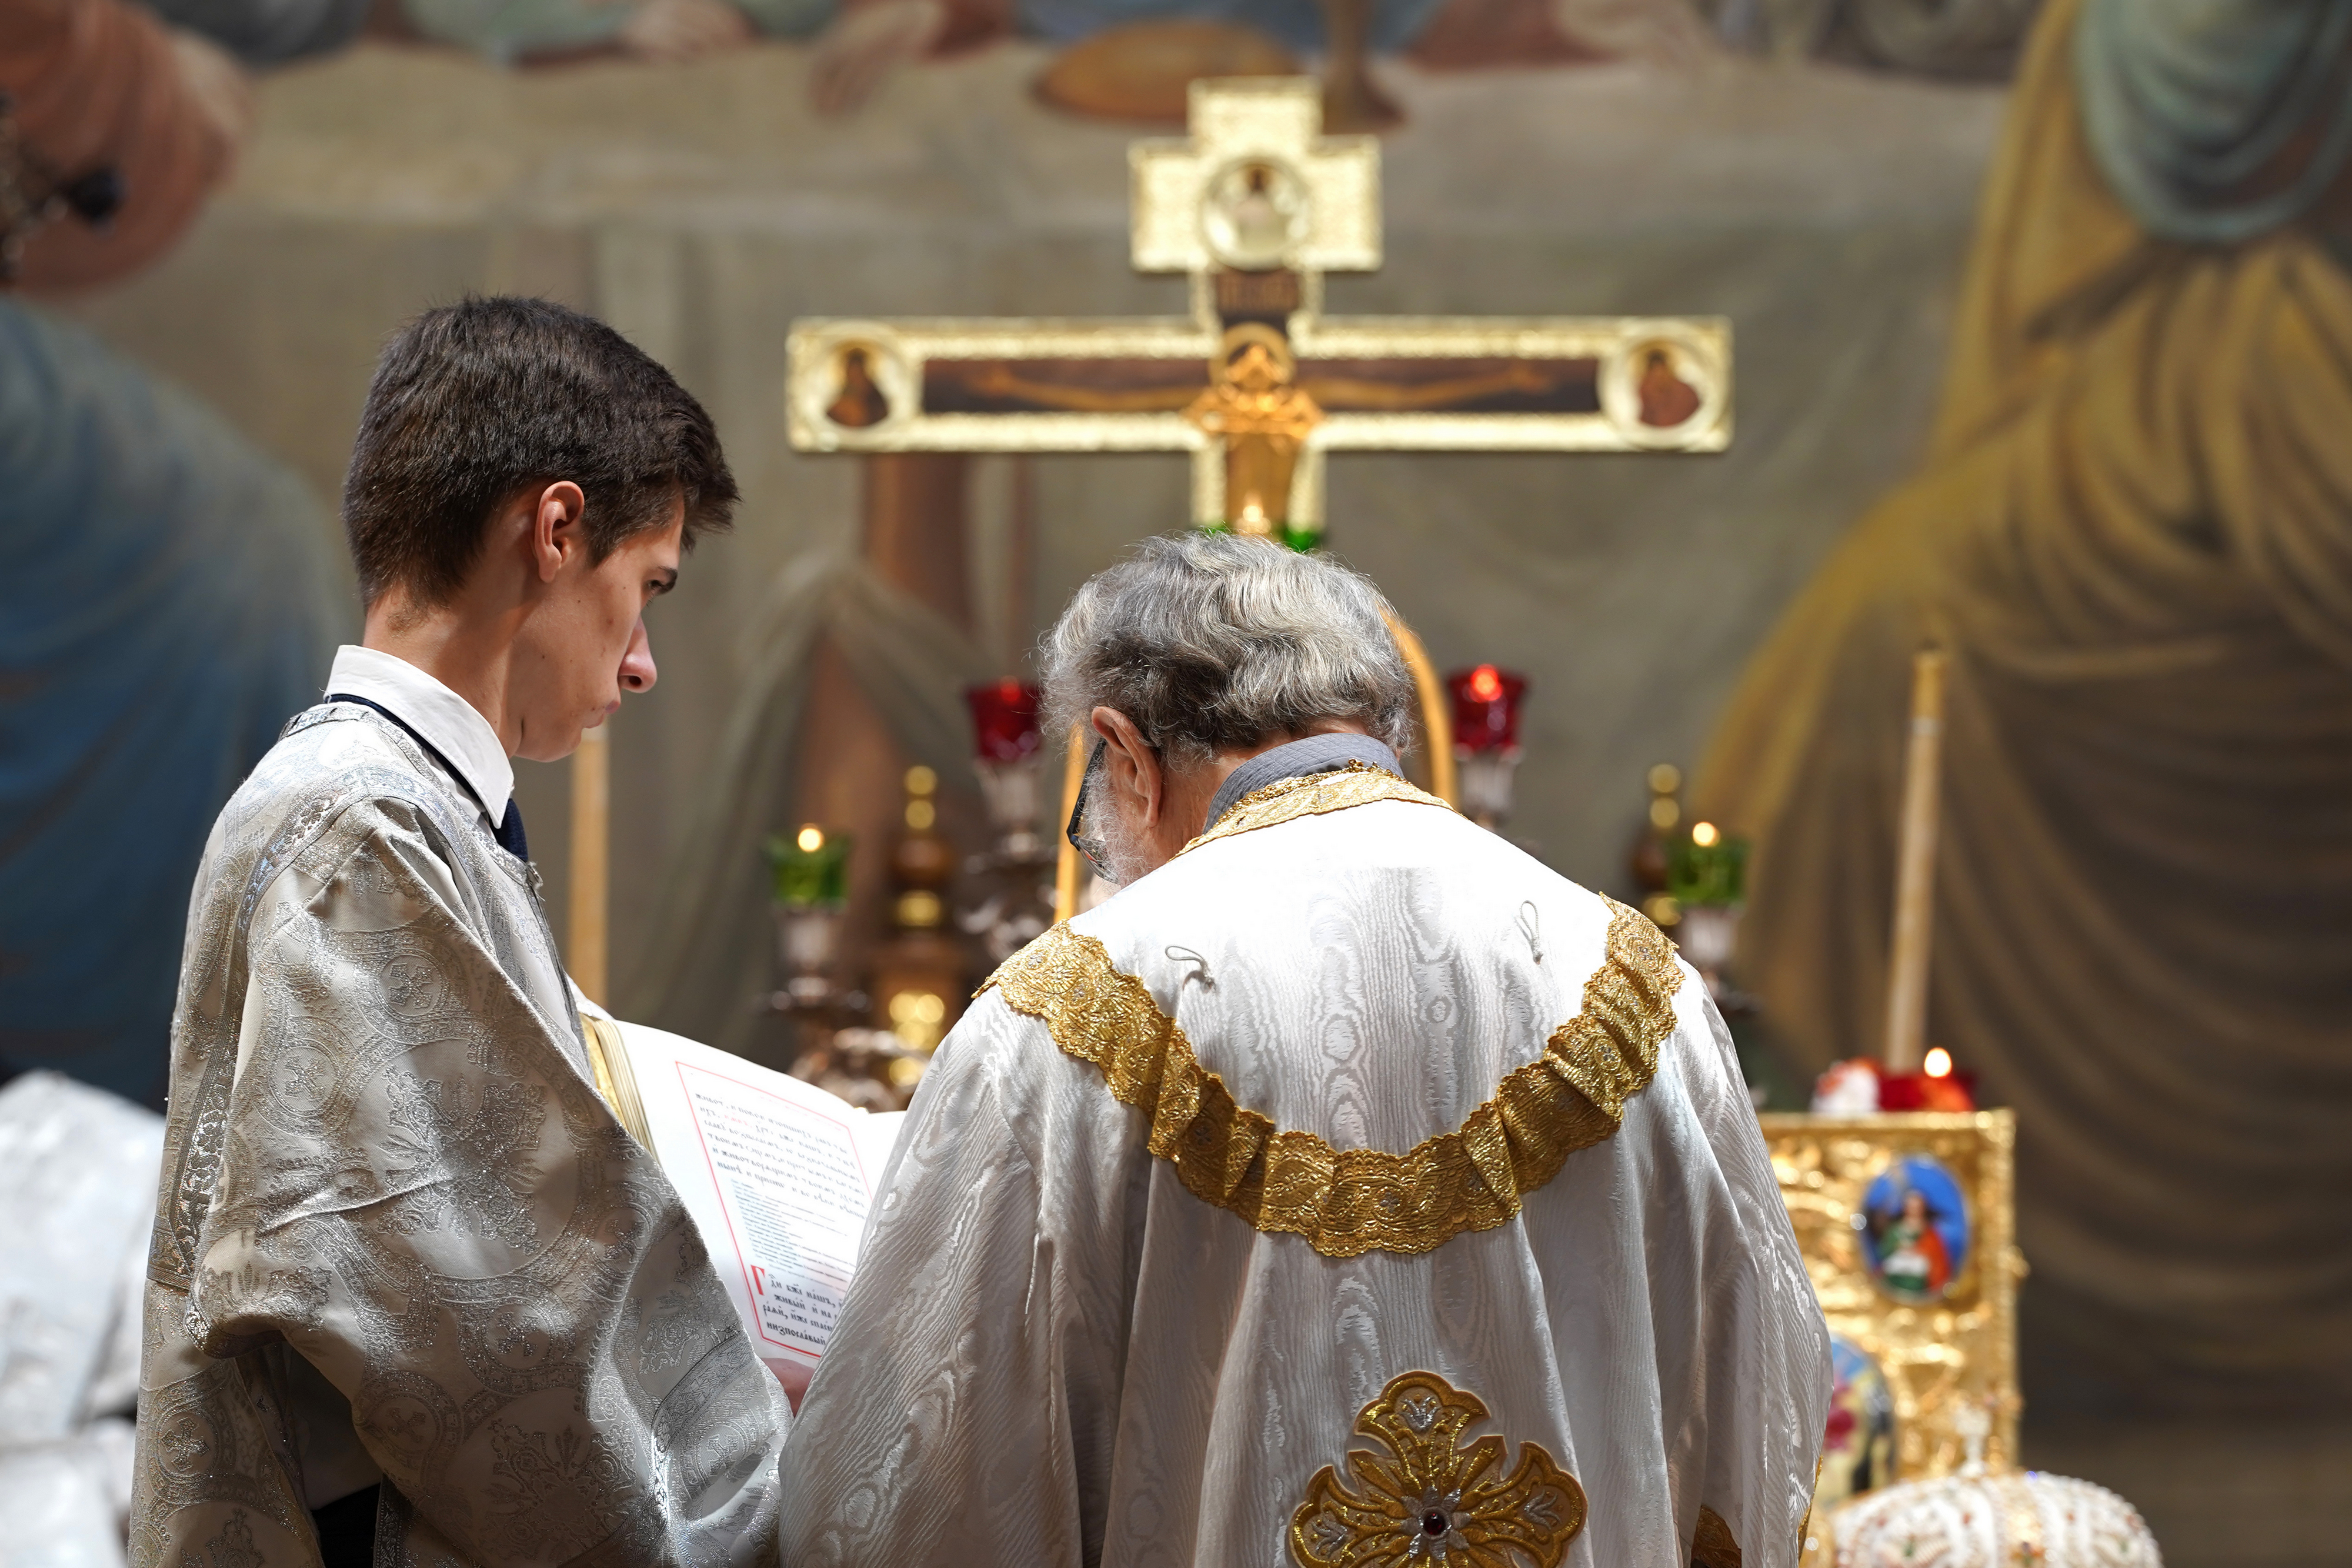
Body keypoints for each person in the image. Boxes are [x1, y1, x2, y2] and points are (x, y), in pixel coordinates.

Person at [781, 531, 1830, 1568]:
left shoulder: (1066, 1008)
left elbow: (918, 1473)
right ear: (1380, 723)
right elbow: (1763, 1393)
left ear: (1126, 755)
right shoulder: (1641, 985)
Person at [1694, 0, 2352, 1410]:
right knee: (1878, 650)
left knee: (1887, 645)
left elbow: (2202, 97)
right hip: (2200, 379)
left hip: (2269, 381)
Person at [132, 298, 786, 1568]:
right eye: (643, 590)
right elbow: (473, 1331)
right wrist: (743, 1491)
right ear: (552, 531)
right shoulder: (360, 829)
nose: (641, 662)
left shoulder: (402, 807)